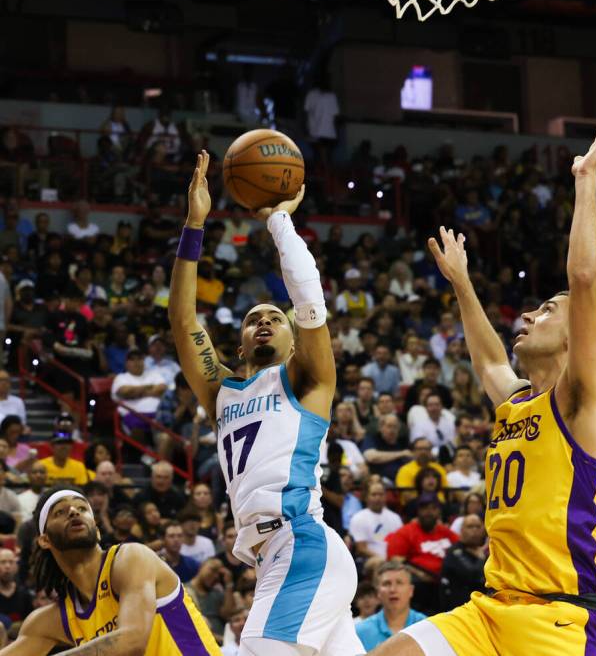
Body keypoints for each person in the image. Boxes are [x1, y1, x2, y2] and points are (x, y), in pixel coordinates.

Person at [370, 112, 596, 655]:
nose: (530, 315)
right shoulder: (518, 401)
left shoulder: (584, 403)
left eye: (547, 310)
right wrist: (461, 283)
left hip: (557, 619)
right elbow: (487, 363)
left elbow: (583, 281)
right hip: (488, 610)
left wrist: (584, 183)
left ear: (576, 332)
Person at [169, 151, 364, 656]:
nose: (263, 321)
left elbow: (309, 301)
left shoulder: (307, 380)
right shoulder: (222, 391)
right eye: (253, 318)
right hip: (272, 556)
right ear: (237, 346)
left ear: (294, 342)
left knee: (254, 647)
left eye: (275, 318)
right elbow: (183, 318)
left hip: (301, 543)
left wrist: (279, 221)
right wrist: (195, 224)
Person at [0, 487, 221, 654]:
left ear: (96, 530)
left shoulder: (131, 558)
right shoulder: (56, 619)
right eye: (60, 512)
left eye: (82, 508)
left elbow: (132, 641)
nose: (74, 512)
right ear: (45, 540)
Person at [355, 563, 425, 651]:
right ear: (378, 592)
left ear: (411, 590)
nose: (393, 589)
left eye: (399, 583)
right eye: (386, 583)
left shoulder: (426, 627)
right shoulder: (361, 631)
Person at [439, 514, 487, 609]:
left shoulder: (485, 553)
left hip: (481, 606)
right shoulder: (454, 552)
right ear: (461, 531)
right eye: (470, 526)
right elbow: (471, 576)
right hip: (458, 609)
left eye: (478, 526)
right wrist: (481, 559)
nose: (474, 530)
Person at [349, 481, 403, 560]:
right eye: (374, 494)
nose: (378, 498)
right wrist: (383, 559)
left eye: (381, 494)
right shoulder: (358, 518)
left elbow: (401, 543)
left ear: (385, 496)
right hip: (369, 560)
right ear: (367, 497)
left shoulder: (395, 517)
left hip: (393, 559)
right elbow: (361, 549)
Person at [0, 549, 32, 629]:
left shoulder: (25, 595)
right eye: (3, 562)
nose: (7, 566)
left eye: (11, 562)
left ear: (16, 567)